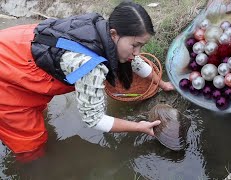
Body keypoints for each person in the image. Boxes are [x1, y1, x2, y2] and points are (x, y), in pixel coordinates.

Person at [0, 2, 175, 162]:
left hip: (17, 42)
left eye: (141, 46)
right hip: (8, 69)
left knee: (38, 112)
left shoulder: (103, 29)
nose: (137, 52)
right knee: (30, 146)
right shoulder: (90, 66)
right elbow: (94, 119)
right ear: (114, 34)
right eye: (135, 45)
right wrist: (138, 127)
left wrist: (162, 84)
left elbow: (134, 60)